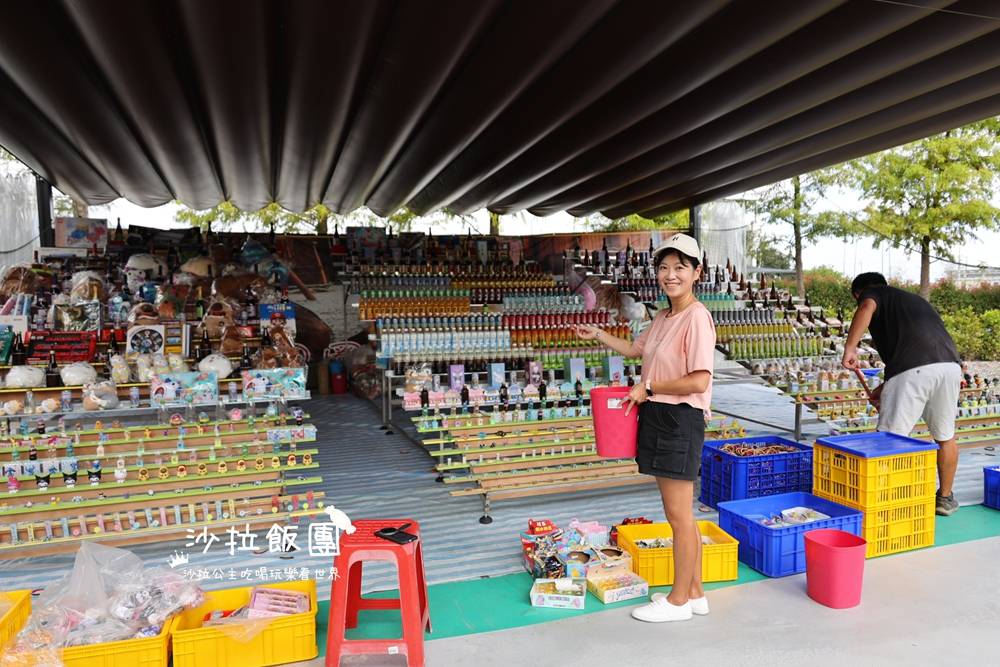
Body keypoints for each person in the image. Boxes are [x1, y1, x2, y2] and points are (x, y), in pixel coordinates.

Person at [575, 233, 715, 622]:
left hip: (679, 418)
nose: (670, 275)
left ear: (696, 273)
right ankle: (696, 594)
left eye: (680, 267)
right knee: (679, 514)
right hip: (659, 415)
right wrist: (598, 334)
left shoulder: (697, 317)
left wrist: (649, 387)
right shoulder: (664, 317)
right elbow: (636, 350)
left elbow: (699, 380)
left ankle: (678, 602)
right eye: (664, 267)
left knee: (679, 517)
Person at [842, 272, 962, 516]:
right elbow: (919, 354)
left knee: (889, 438)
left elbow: (866, 306)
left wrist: (850, 348)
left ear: (857, 294)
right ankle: (945, 498)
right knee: (945, 436)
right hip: (949, 367)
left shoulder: (871, 294)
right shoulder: (914, 301)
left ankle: (885, 499)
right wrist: (884, 388)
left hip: (913, 370)